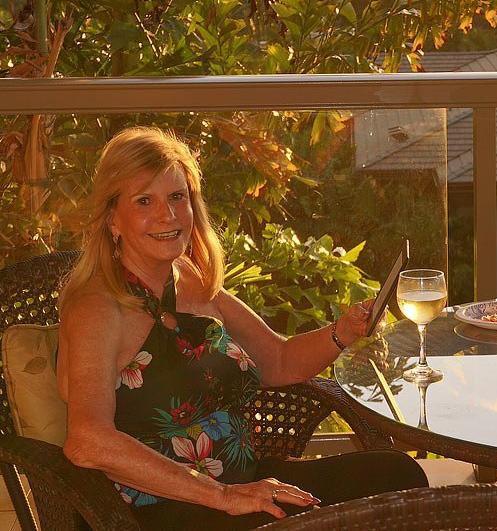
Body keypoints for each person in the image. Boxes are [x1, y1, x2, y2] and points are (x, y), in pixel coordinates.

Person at [56, 127, 428, 530]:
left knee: (397, 476)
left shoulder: (189, 278)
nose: (168, 215)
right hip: (150, 511)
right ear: (112, 218)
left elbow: (278, 360)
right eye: (145, 201)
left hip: (242, 484)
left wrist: (344, 331)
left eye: (177, 197)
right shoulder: (97, 308)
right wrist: (223, 496)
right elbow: (87, 440)